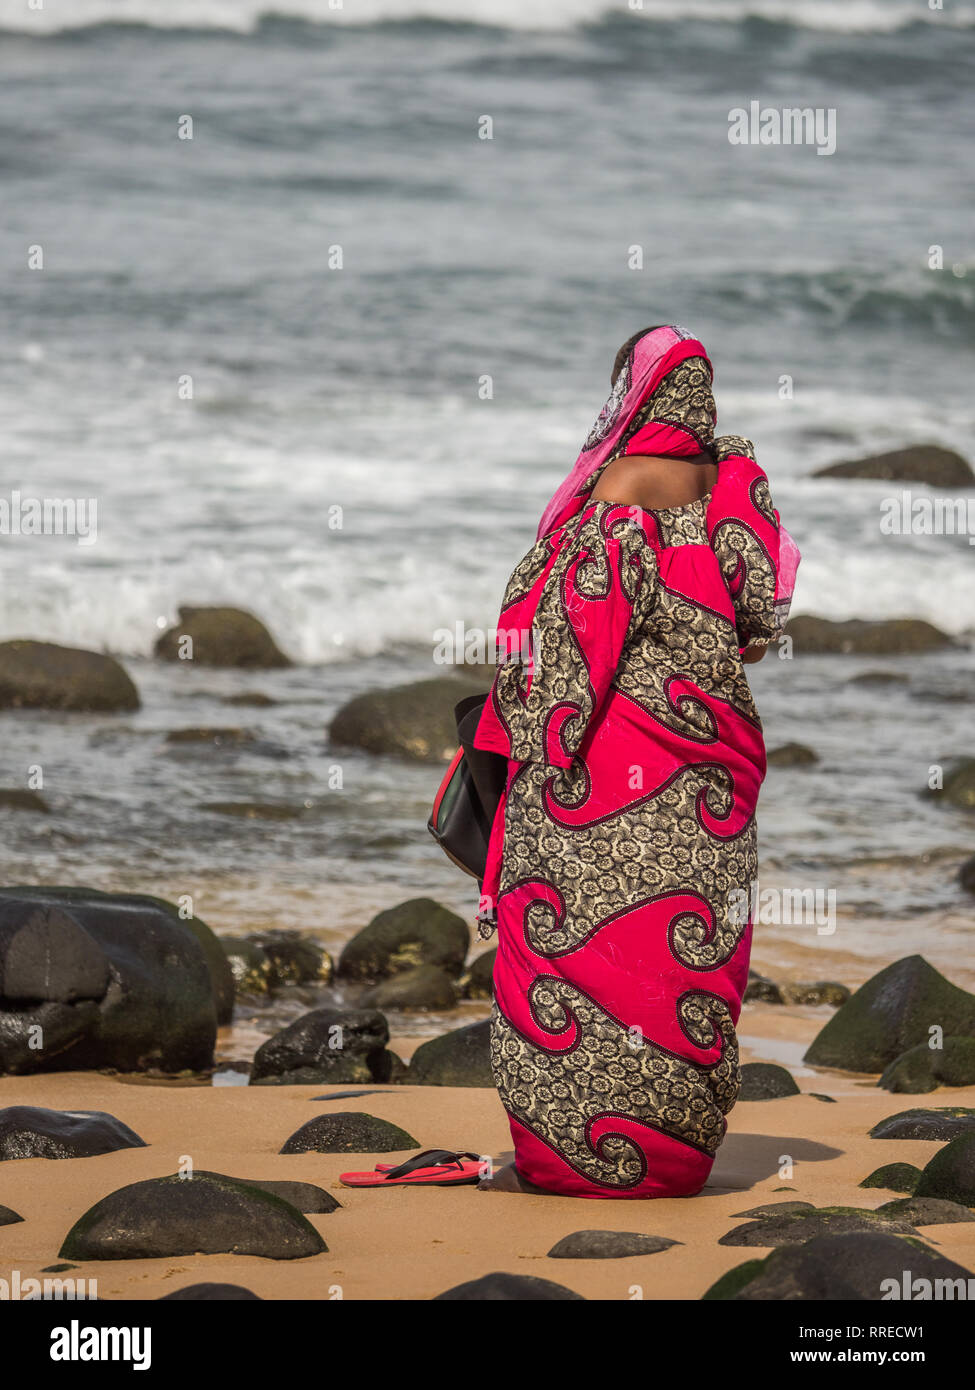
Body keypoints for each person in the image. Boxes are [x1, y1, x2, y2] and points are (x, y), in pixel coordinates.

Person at [473, 323, 800, 1197]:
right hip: (708, 782)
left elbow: (566, 651)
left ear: (630, 396)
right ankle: (668, 1160)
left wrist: (536, 764)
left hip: (611, 766)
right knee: (681, 957)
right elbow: (755, 633)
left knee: (578, 943)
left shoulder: (618, 490)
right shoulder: (736, 489)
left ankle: (576, 1160)